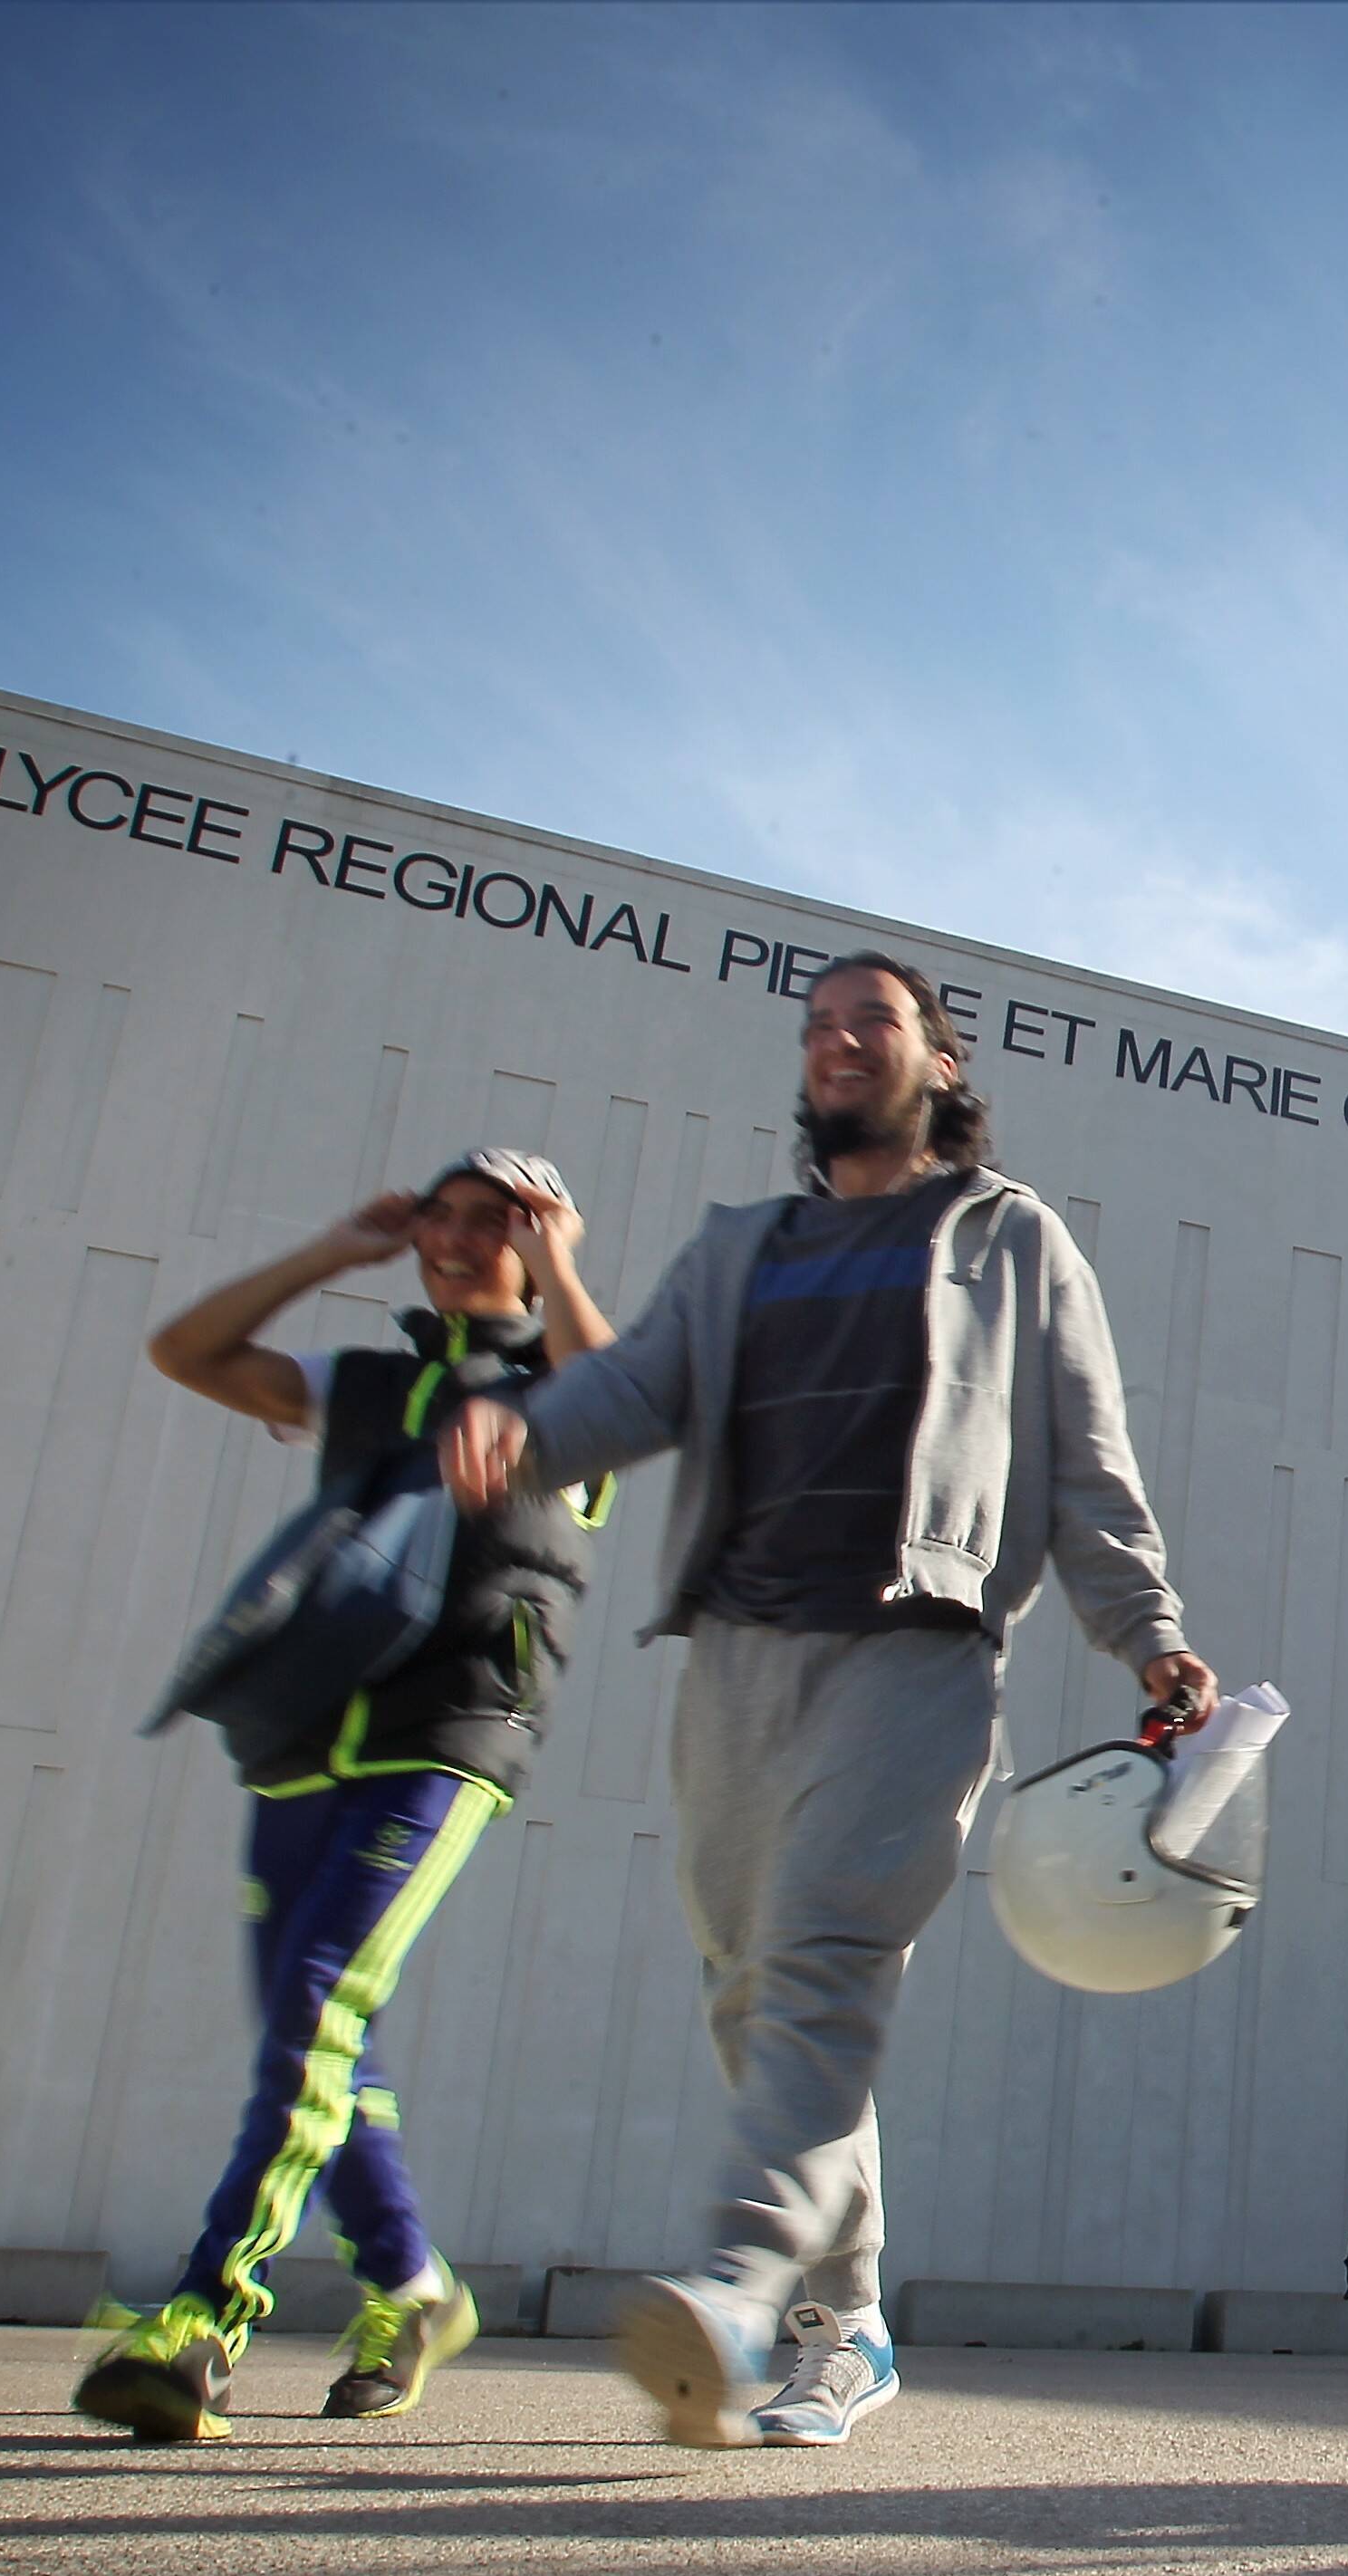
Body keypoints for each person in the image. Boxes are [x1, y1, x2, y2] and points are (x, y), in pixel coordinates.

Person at [440, 949, 1216, 2450]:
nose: (839, 1041)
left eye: (874, 1019)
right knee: (752, 1986)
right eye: (817, 1025)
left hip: (914, 1646)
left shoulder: (1008, 1237)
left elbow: (1085, 1459)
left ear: (940, 1058)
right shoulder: (744, 1246)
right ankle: (845, 2318)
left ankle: (738, 2284)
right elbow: (635, 1387)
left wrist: (1148, 1630)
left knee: (820, 1967)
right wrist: (520, 1436)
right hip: (738, 1655)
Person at [76, 1152, 612, 2442]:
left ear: (535, 1241)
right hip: (309, 1734)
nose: (460, 1238)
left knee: (318, 1997)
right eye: (444, 1216)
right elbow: (187, 1351)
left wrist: (559, 1263)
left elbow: (617, 1396)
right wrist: (333, 1250)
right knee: (313, 2030)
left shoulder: (573, 1394)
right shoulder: (366, 1384)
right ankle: (412, 2287)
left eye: (497, 1222)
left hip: (451, 1732)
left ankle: (205, 2312)